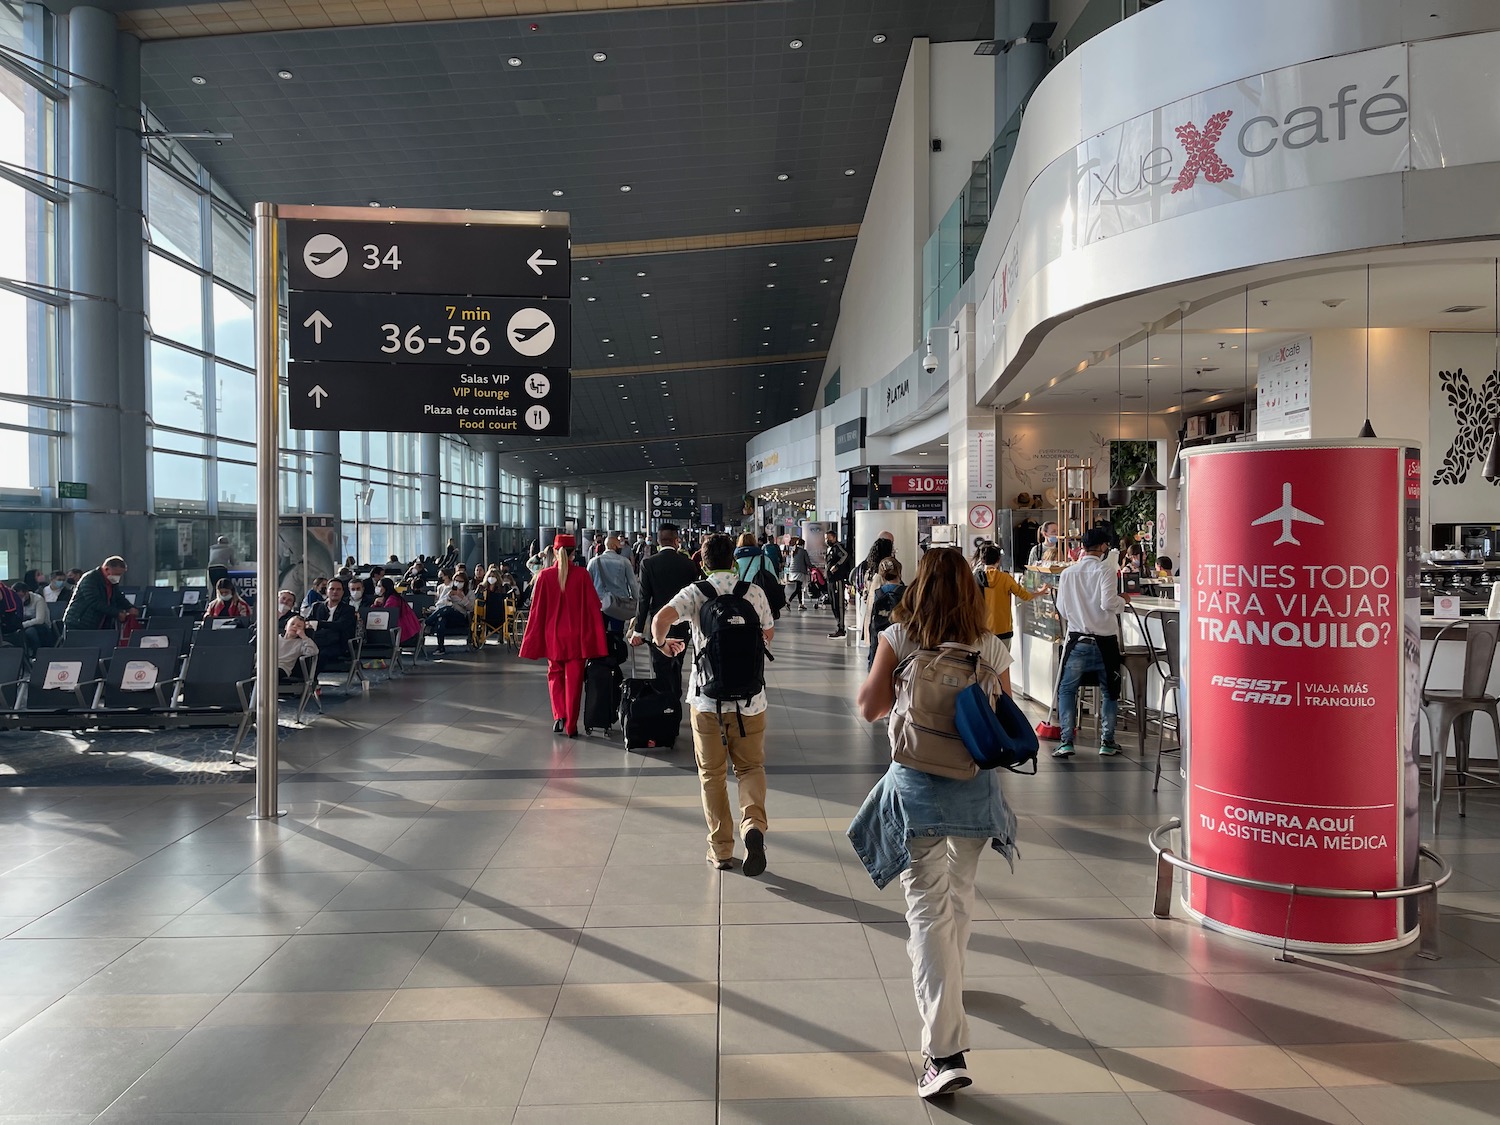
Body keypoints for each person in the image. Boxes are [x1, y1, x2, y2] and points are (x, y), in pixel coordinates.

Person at [850, 547, 1019, 1100]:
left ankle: (943, 1050)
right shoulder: (991, 647)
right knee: (960, 896)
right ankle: (951, 995)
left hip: (916, 788)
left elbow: (869, 708)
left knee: (926, 907)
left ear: (919, 587)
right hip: (974, 791)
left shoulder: (900, 640)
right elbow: (1001, 722)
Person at [652, 532, 775, 874]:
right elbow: (767, 634)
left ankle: (721, 849)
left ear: (703, 563)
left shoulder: (695, 593)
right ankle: (753, 827)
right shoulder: (754, 593)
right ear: (733, 561)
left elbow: (660, 619)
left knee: (712, 775)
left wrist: (664, 645)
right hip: (751, 700)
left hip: (707, 701)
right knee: (750, 768)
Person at [520, 534, 608, 737]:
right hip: (576, 637)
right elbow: (594, 605)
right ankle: (571, 725)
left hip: (553, 636)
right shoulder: (582, 575)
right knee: (575, 680)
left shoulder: (543, 576)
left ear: (554, 551)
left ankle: (559, 716)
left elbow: (537, 610)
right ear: (573, 552)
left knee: (555, 675)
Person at [1052, 527, 1126, 759]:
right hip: (1105, 642)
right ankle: (1107, 741)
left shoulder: (1068, 573)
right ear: (1103, 547)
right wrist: (1122, 601)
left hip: (1077, 641)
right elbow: (1107, 603)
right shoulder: (1105, 571)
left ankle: (1066, 741)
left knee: (1067, 690)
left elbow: (1062, 609)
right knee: (1110, 691)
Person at [631, 523, 703, 698]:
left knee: (660, 665)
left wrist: (638, 631)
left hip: (659, 624)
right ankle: (675, 698)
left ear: (658, 541)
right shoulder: (688, 564)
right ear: (677, 541)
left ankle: (665, 704)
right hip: (682, 624)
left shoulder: (648, 564)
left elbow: (644, 599)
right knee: (676, 661)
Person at [977, 544, 1044, 642]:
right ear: (999, 560)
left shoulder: (975, 578)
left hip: (982, 630)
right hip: (1003, 629)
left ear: (982, 560)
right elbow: (1025, 596)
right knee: (1003, 657)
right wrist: (1041, 592)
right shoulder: (1006, 578)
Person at [62, 556, 138, 631]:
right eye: (116, 574)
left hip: (99, 623)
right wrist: (117, 613)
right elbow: (94, 601)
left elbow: (118, 597)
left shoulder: (111, 580)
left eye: (120, 574)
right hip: (80, 623)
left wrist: (129, 607)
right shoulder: (90, 578)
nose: (118, 577)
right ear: (106, 569)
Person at [588, 534, 639, 635]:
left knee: (600, 633)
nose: (621, 547)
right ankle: (617, 647)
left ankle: (605, 649)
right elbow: (632, 584)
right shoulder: (624, 562)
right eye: (619, 545)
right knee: (618, 633)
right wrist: (636, 602)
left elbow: (588, 584)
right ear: (614, 546)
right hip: (619, 604)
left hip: (600, 604)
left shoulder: (593, 562)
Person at [306, 577, 357, 672]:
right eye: (332, 589)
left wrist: (318, 624)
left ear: (342, 592)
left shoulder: (349, 609)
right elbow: (308, 622)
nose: (335, 592)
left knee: (320, 654)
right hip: (317, 641)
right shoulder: (316, 606)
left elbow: (341, 625)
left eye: (338, 589)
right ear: (326, 591)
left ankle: (312, 680)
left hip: (338, 644)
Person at [866, 557, 905, 671]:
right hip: (900, 643)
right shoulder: (906, 593)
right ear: (899, 573)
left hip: (880, 639)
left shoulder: (877, 593)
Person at [426, 571, 474, 656]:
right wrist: (448, 596)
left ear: (465, 582)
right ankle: (440, 647)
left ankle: (427, 622)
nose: (458, 583)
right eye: (456, 580)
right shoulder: (448, 589)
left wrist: (462, 597)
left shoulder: (469, 593)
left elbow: (470, 608)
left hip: (460, 616)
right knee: (441, 619)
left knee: (449, 609)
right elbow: (439, 603)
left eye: (460, 581)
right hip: (447, 616)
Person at [374, 577, 422, 646]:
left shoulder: (392, 600)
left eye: (379, 586)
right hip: (410, 634)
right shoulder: (394, 597)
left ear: (385, 588)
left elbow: (385, 618)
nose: (377, 588)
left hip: (405, 637)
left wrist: (375, 605)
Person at [824, 529, 852, 638]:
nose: (826, 540)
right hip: (830, 580)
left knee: (839, 603)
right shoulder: (829, 549)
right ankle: (838, 626)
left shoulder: (837, 547)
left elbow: (845, 555)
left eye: (828, 538)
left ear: (834, 538)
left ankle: (841, 628)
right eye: (826, 538)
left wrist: (837, 566)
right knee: (833, 603)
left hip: (837, 580)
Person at [16, 582, 54, 655]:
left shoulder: (38, 599)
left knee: (30, 632)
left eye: (21, 596)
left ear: (26, 593)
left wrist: (22, 625)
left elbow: (40, 620)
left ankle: (37, 654)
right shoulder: (15, 601)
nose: (19, 598)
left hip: (41, 626)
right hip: (25, 624)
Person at [783, 537, 810, 610]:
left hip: (792, 571)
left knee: (798, 588)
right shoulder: (803, 551)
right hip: (800, 571)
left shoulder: (793, 550)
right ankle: (788, 602)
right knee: (798, 589)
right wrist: (812, 567)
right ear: (803, 544)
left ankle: (800, 604)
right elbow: (807, 562)